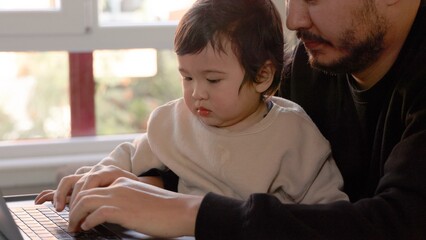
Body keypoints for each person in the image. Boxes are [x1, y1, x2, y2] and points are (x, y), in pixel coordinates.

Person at [37, 0, 426, 239]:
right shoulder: (315, 62)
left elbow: (398, 226)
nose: (293, 20)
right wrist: (144, 184)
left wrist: (187, 211)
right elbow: (231, 149)